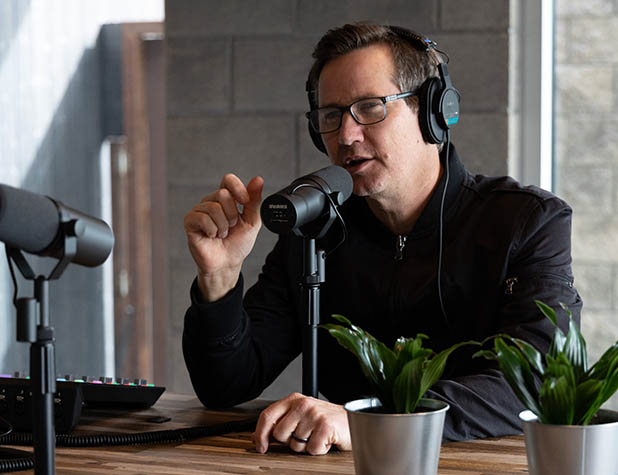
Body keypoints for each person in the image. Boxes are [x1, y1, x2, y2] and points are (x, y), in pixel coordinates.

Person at [182, 23, 582, 455]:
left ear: (433, 112)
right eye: (331, 116)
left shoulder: (527, 221)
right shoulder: (314, 230)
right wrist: (219, 280)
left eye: (370, 108)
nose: (346, 136)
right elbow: (226, 384)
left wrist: (371, 423)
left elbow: (536, 382)